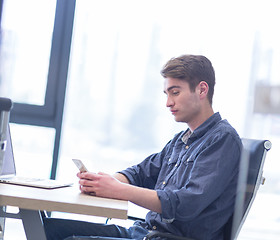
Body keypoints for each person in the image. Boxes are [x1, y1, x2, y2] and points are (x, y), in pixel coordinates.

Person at [43, 55, 242, 240]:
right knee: (49, 228)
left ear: (201, 90)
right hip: (144, 233)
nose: (168, 103)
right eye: (166, 94)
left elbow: (185, 204)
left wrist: (118, 190)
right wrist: (103, 183)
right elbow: (140, 173)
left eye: (175, 92)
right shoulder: (181, 141)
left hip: (164, 238)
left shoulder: (222, 139)